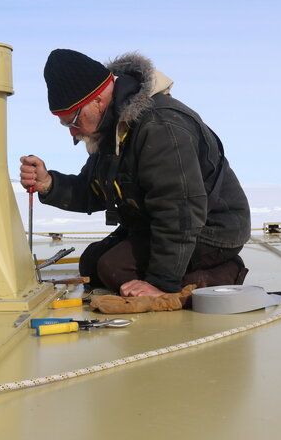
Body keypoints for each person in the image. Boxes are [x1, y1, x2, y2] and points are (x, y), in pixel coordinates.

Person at [19, 49, 251, 298]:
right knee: (91, 263)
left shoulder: (160, 126)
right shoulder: (112, 130)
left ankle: (225, 271)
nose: (73, 132)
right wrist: (49, 184)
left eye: (73, 121)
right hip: (155, 223)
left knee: (113, 268)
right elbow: (95, 191)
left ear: (98, 100)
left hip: (210, 230)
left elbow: (179, 211)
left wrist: (161, 283)